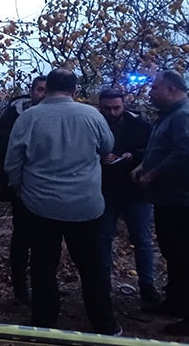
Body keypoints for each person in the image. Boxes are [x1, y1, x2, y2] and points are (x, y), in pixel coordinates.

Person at [5, 69, 120, 335]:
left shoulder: (29, 118)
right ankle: (105, 324)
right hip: (86, 206)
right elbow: (107, 148)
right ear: (74, 90)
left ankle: (44, 324)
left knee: (43, 267)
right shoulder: (92, 115)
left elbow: (13, 162)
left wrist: (21, 190)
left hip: (41, 205)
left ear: (48, 88)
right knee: (92, 266)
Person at [131, 70, 189, 336]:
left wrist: (152, 174)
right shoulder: (168, 116)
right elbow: (162, 148)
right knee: (173, 254)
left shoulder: (183, 116)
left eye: (154, 88)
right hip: (167, 200)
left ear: (171, 90)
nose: (150, 93)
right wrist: (143, 165)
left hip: (181, 201)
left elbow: (184, 154)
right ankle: (175, 302)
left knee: (183, 255)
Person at [97, 88, 160, 305]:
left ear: (124, 106)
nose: (112, 113)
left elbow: (154, 150)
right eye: (107, 108)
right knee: (103, 239)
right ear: (100, 106)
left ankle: (147, 286)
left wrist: (134, 156)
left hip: (135, 191)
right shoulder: (94, 123)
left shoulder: (139, 125)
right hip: (105, 190)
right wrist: (100, 158)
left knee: (142, 240)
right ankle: (102, 285)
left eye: (116, 108)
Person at [0, 75, 47, 304]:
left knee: (45, 241)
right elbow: (0, 144)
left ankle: (44, 285)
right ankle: (20, 288)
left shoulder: (58, 113)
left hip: (48, 188)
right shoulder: (15, 113)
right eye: (40, 90)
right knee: (22, 237)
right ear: (32, 91)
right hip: (22, 187)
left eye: (47, 90)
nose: (43, 94)